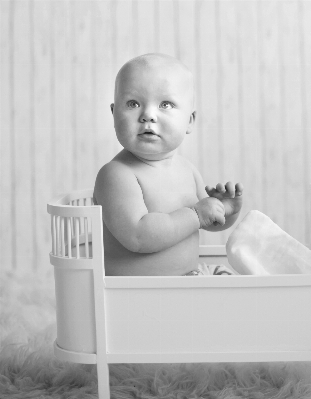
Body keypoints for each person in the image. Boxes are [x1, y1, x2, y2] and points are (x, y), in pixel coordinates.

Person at [93, 53, 243, 276]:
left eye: (165, 104)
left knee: (240, 288)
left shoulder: (187, 170)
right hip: (136, 294)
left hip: (185, 282)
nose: (148, 115)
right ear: (114, 113)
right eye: (133, 103)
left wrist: (225, 211)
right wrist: (196, 214)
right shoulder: (116, 175)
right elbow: (139, 236)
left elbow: (206, 221)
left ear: (189, 121)